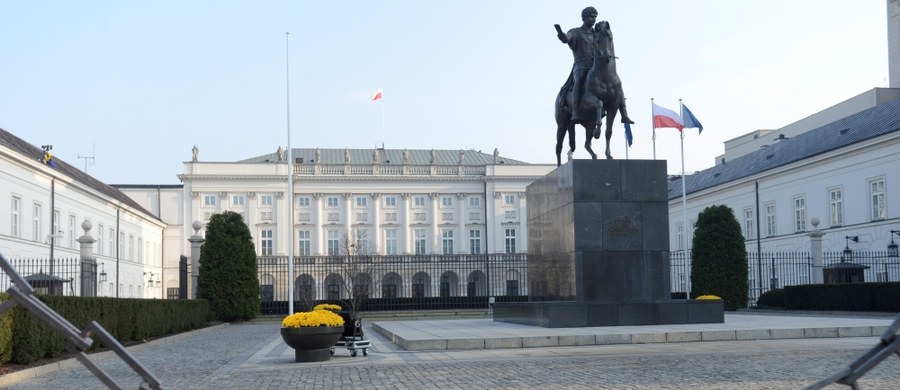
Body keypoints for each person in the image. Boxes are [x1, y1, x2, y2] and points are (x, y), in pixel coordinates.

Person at [557, 7, 598, 123]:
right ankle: (575, 110)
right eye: (591, 17)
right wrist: (563, 37)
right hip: (580, 66)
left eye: (595, 17)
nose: (594, 20)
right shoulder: (575, 32)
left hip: (595, 66)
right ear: (584, 18)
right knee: (579, 78)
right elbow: (567, 37)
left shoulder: (596, 33)